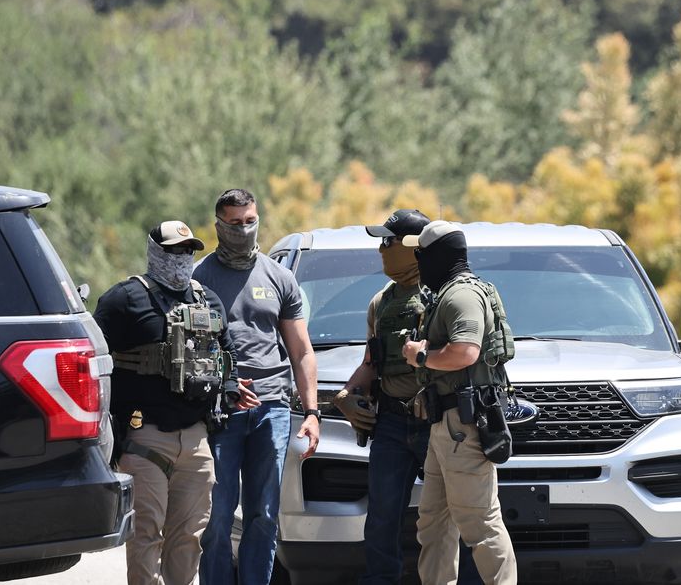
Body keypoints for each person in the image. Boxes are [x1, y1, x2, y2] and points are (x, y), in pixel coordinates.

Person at [95, 220, 256, 585]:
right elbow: (92, 360)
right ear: (154, 251)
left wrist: (229, 387)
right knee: (146, 534)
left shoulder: (207, 299)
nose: (182, 258)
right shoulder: (123, 300)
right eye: (173, 251)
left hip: (197, 439)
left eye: (188, 251)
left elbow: (225, 354)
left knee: (189, 538)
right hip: (143, 436)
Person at [333, 210, 483, 585]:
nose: (382, 249)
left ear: (414, 247)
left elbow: (465, 353)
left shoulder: (446, 294)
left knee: (456, 512)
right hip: (391, 422)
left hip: (439, 421)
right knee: (382, 515)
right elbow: (372, 361)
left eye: (389, 241)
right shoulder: (380, 302)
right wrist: (347, 394)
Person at [196, 189, 321, 585]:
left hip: (273, 411)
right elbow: (190, 351)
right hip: (220, 412)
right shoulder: (200, 278)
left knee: (265, 514)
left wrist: (313, 411)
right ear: (219, 225)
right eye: (234, 223)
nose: (244, 229)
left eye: (250, 221)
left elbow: (301, 351)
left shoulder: (279, 277)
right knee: (215, 515)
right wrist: (224, 387)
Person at [399, 221, 517, 585]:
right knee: (433, 520)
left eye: (421, 253)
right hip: (446, 424)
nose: (417, 260)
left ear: (438, 255)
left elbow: (465, 352)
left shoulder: (460, 296)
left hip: (462, 425)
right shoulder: (449, 292)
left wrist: (420, 357)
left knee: (479, 521)